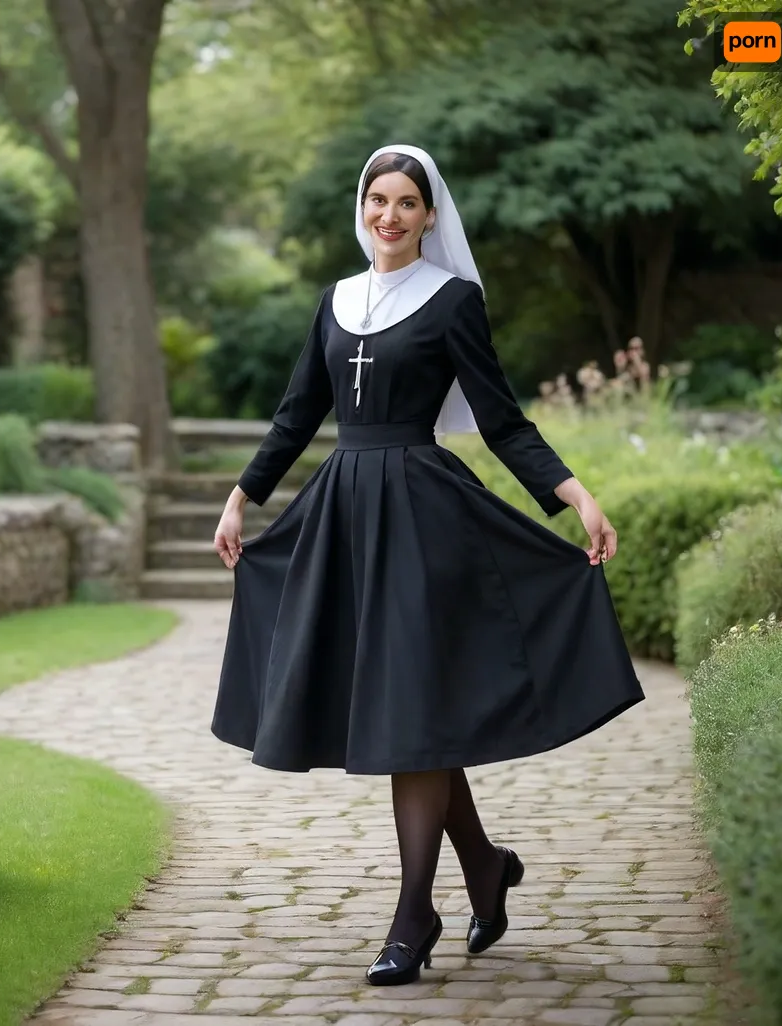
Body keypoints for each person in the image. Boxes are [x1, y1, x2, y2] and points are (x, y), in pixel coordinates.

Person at [209, 144, 645, 987]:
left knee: (411, 710)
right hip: (344, 516)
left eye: (407, 203)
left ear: (429, 216)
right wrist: (242, 497)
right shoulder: (335, 302)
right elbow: (299, 411)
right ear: (362, 205)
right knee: (416, 714)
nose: (389, 216)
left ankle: (415, 916)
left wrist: (577, 497)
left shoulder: (453, 301)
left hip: (423, 521)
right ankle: (483, 867)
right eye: (378, 200)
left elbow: (501, 419)